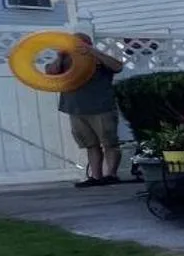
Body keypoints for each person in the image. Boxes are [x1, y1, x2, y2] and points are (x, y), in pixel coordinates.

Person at [48, 34, 126, 187]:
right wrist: (59, 56)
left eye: (80, 44)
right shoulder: (65, 60)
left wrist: (92, 51)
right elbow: (50, 73)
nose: (77, 47)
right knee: (90, 144)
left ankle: (111, 175)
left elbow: (118, 66)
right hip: (75, 109)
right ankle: (95, 177)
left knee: (109, 142)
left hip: (101, 107)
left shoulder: (98, 59)